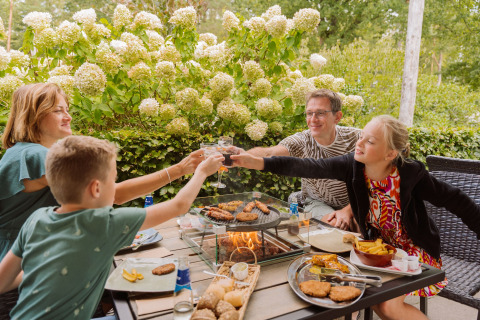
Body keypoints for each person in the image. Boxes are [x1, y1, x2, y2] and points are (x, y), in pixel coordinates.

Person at [232, 115, 480, 319]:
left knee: (387, 306)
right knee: (359, 293)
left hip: (414, 251)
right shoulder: (352, 165)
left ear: (390, 154)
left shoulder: (410, 175)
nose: (359, 144)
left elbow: (457, 200)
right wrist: (258, 162)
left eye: (370, 141)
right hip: (375, 249)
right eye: (361, 137)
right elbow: (306, 166)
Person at [0, 135, 223, 319]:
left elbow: (3, 282)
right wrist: (202, 172)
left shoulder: (36, 218)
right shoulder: (104, 223)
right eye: (113, 180)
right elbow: (179, 205)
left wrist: (50, 271)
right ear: (96, 188)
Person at [0, 83, 204, 262]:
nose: (68, 116)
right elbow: (113, 195)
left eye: (67, 109)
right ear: (34, 115)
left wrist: (181, 169)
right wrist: (180, 169)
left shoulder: (21, 151)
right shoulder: (34, 155)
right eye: (57, 110)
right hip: (27, 260)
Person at [247, 89, 360, 230]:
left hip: (353, 202)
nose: (313, 119)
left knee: (360, 225)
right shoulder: (302, 140)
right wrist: (241, 156)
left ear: (337, 117)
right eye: (309, 113)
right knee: (336, 224)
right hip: (316, 202)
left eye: (320, 113)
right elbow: (270, 153)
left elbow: (374, 183)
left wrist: (348, 210)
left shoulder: (357, 139)